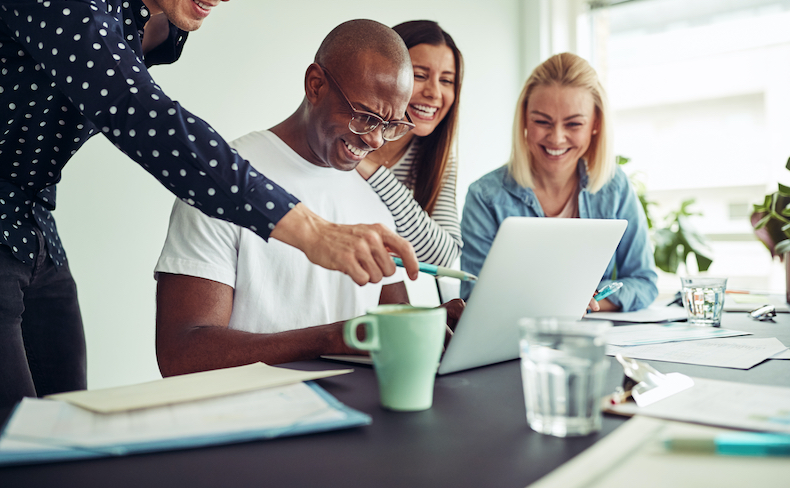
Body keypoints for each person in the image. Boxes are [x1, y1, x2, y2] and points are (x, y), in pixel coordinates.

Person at [0, 0, 417, 405]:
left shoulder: (153, 18)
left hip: (33, 224)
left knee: (62, 442)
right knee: (17, 453)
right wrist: (310, 231)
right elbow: (141, 115)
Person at [154, 19, 464, 376]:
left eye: (390, 125)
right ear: (315, 85)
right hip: (250, 421)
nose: (376, 140)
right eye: (365, 116)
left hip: (355, 421)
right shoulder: (223, 183)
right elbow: (180, 355)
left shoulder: (376, 201)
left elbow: (383, 332)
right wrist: (331, 339)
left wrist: (433, 326)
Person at [460, 52, 657, 312]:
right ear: (525, 120)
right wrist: (557, 302)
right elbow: (475, 297)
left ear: (595, 124)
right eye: (542, 122)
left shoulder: (615, 187)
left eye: (574, 124)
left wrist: (588, 302)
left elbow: (644, 281)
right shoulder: (485, 196)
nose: (556, 138)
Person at [357, 20, 463, 267]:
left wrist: (373, 170)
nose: (434, 93)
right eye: (419, 76)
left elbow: (444, 255)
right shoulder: (342, 144)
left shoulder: (439, 158)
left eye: (446, 80)